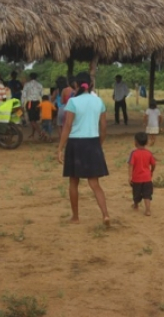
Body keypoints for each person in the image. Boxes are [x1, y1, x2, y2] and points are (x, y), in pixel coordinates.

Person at [58, 72, 110, 226]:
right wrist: (99, 144)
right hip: (92, 142)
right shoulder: (99, 101)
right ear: (90, 85)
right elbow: (104, 127)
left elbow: (67, 126)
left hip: (75, 144)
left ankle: (75, 217)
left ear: (76, 84)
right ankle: (105, 214)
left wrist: (60, 148)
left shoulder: (73, 102)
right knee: (95, 183)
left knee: (73, 182)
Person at [128, 132, 156, 216]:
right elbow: (153, 164)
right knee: (147, 195)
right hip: (147, 178)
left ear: (135, 142)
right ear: (147, 142)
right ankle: (148, 210)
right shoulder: (149, 153)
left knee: (136, 193)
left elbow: (131, 165)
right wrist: (151, 171)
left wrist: (130, 176)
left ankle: (136, 205)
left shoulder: (134, 153)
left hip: (137, 179)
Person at [22, 72, 44, 139]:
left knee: (32, 120)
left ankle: (41, 133)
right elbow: (42, 94)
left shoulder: (27, 85)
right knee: (34, 120)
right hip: (37, 103)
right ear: (36, 77)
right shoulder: (40, 85)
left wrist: (22, 104)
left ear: (30, 77)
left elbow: (24, 95)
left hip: (30, 103)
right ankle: (33, 134)